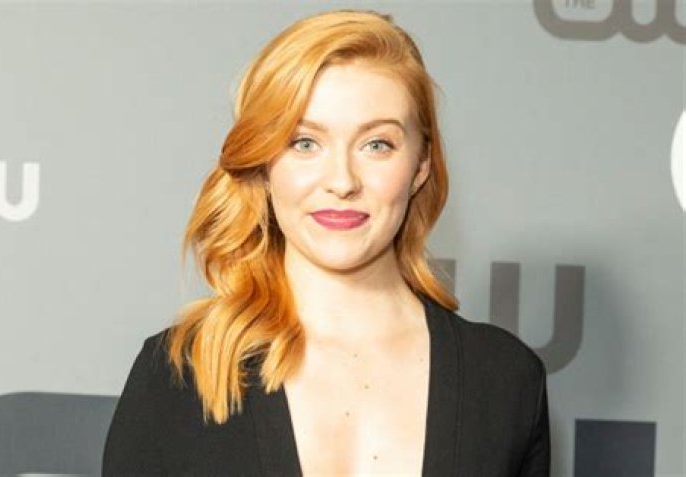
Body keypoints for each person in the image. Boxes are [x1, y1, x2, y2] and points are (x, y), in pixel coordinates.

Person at [102, 8, 550, 476]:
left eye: (376, 144)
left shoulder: (505, 381)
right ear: (263, 164)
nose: (342, 181)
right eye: (304, 143)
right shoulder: (182, 372)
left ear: (421, 165)